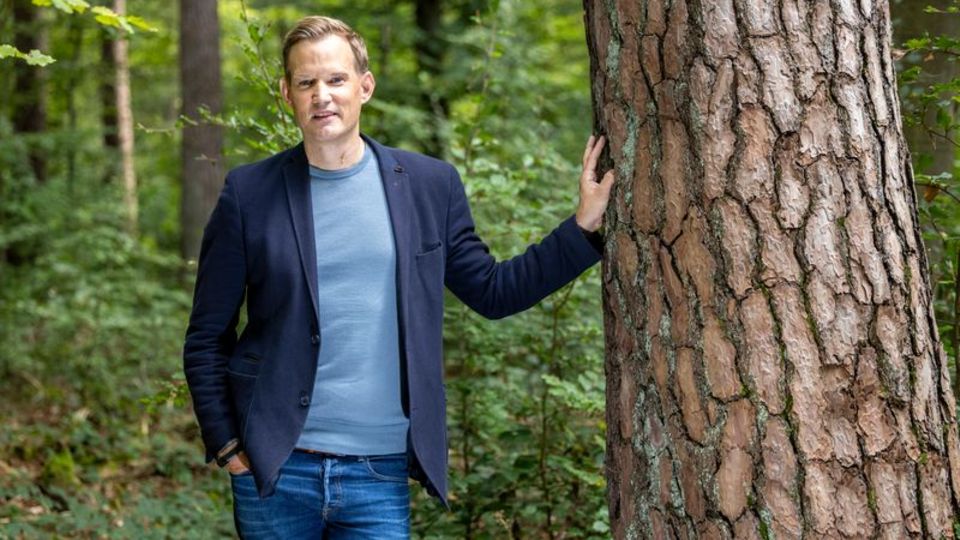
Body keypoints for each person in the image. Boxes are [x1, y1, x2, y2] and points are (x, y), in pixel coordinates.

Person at [182, 14, 614, 539]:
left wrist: (583, 227)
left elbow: (494, 291)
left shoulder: (430, 185)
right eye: (306, 82)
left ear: (365, 86)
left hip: (379, 469)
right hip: (276, 468)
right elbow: (207, 336)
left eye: (337, 79)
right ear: (286, 94)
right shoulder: (249, 195)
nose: (323, 95)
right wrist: (228, 446)